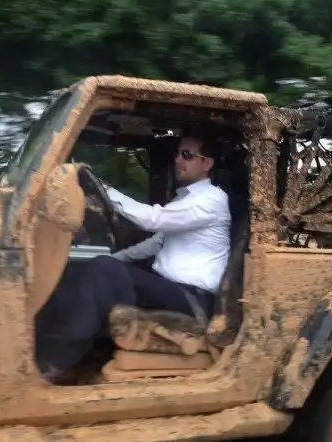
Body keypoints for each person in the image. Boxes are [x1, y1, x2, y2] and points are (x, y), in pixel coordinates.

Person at [38, 132, 231, 383]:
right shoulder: (186, 199)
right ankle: (48, 340)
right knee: (88, 269)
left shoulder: (212, 199)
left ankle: (59, 360)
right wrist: (116, 258)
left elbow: (153, 220)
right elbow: (157, 242)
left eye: (187, 155)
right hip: (171, 290)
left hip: (192, 300)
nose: (178, 160)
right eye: (177, 153)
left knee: (104, 269)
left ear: (207, 163)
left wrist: (103, 190)